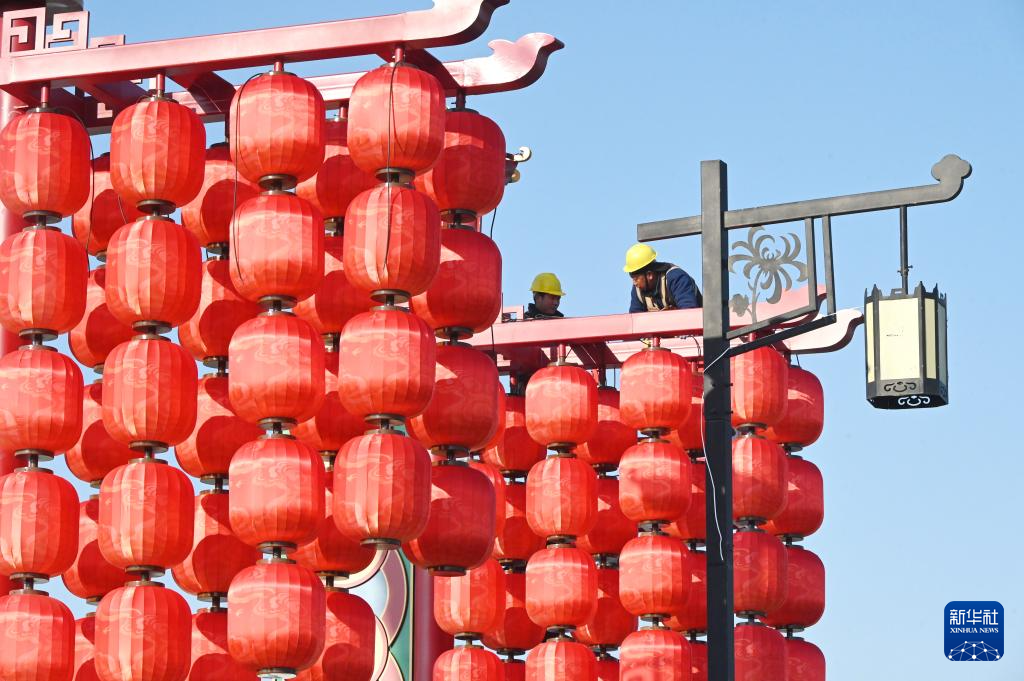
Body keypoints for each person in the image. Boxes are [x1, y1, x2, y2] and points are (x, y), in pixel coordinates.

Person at [624, 243, 702, 312]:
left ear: (649, 275)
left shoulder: (676, 278)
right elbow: (634, 320)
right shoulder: (638, 290)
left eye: (636, 278)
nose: (634, 283)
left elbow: (689, 312)